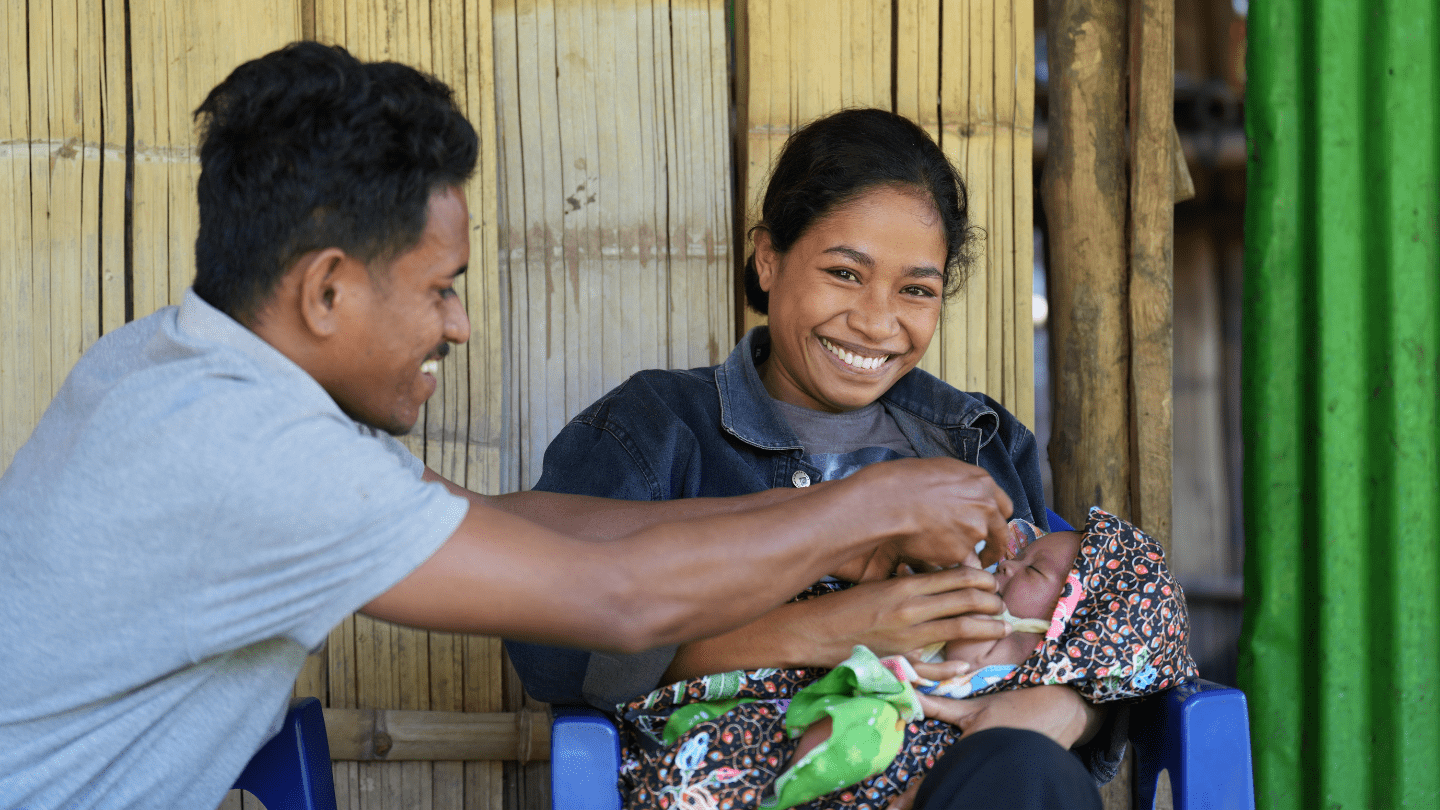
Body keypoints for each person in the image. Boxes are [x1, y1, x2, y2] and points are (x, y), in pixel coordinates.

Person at [0, 46, 1020, 810]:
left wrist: (862, 506)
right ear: (326, 291)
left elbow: (525, 524)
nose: (459, 323)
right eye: (441, 288)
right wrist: (869, 507)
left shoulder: (173, 368)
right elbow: (615, 601)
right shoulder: (257, 457)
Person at [507, 108, 1116, 809]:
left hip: (947, 785)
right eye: (845, 273)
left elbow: (1089, 624)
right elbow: (554, 654)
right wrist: (824, 630)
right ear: (769, 259)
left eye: (916, 289)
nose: (878, 321)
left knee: (1027, 769)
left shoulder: (977, 442)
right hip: (741, 786)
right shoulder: (653, 433)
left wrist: (1068, 707)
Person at [757, 508, 1197, 809]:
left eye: (1034, 569)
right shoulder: (1005, 635)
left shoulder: (1005, 652)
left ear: (1072, 629)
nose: (1005, 565)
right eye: (1019, 555)